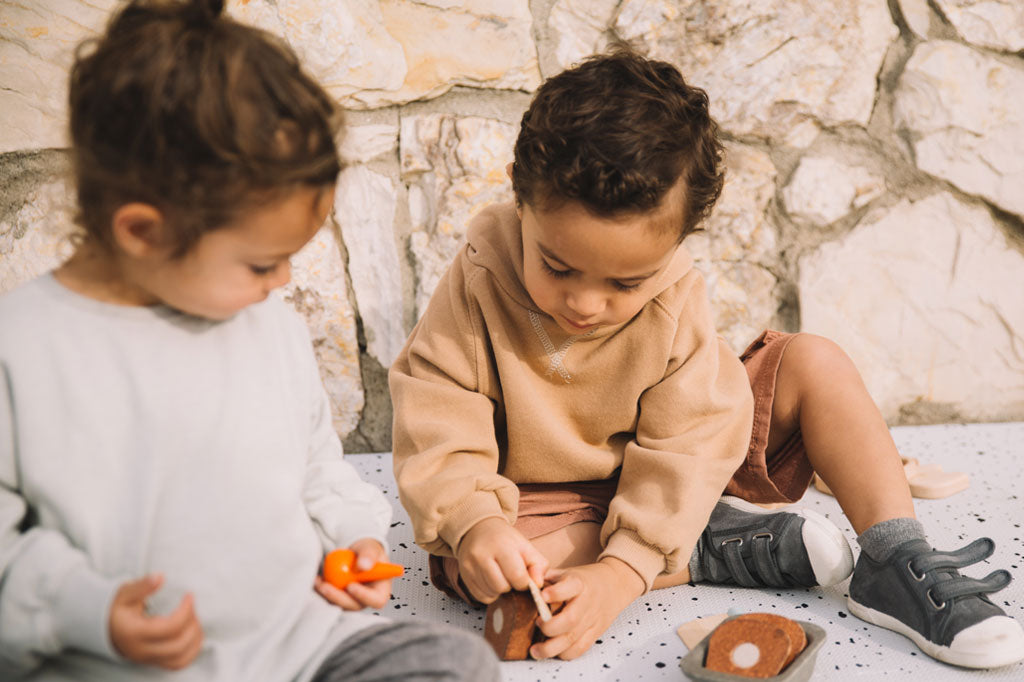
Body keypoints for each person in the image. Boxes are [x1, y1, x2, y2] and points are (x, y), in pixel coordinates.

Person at [389, 48, 1024, 668]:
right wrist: (477, 526)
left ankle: (894, 557)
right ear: (521, 202)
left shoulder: (674, 302)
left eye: (626, 284)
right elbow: (438, 412)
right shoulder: (478, 281)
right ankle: (711, 548)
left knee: (816, 362)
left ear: (675, 245)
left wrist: (621, 572)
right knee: (489, 571)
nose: (584, 304)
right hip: (542, 498)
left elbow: (692, 441)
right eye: (557, 267)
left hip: (685, 471)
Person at [0, 1, 499, 680]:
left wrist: (351, 542)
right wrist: (87, 610)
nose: (285, 280)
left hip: (294, 649)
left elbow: (317, 468)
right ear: (142, 231)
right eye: (263, 263)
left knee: (452, 661)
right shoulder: (25, 351)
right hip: (115, 664)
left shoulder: (269, 328)